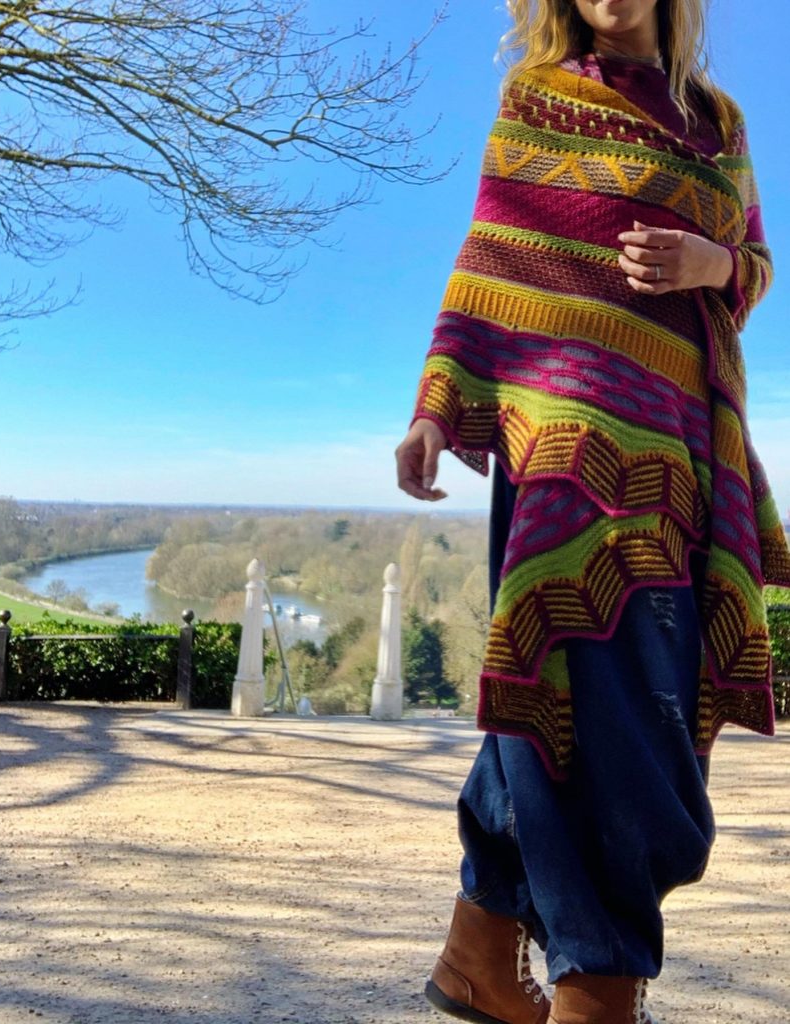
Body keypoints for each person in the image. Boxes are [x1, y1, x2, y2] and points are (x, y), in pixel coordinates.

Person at [395, 2, 790, 1023]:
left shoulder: (718, 122)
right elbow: (486, 264)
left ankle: (477, 953)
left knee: (584, 693)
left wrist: (710, 265)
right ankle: (597, 988)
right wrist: (434, 407)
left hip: (684, 445)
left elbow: (752, 265)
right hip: (563, 448)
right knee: (619, 711)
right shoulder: (538, 101)